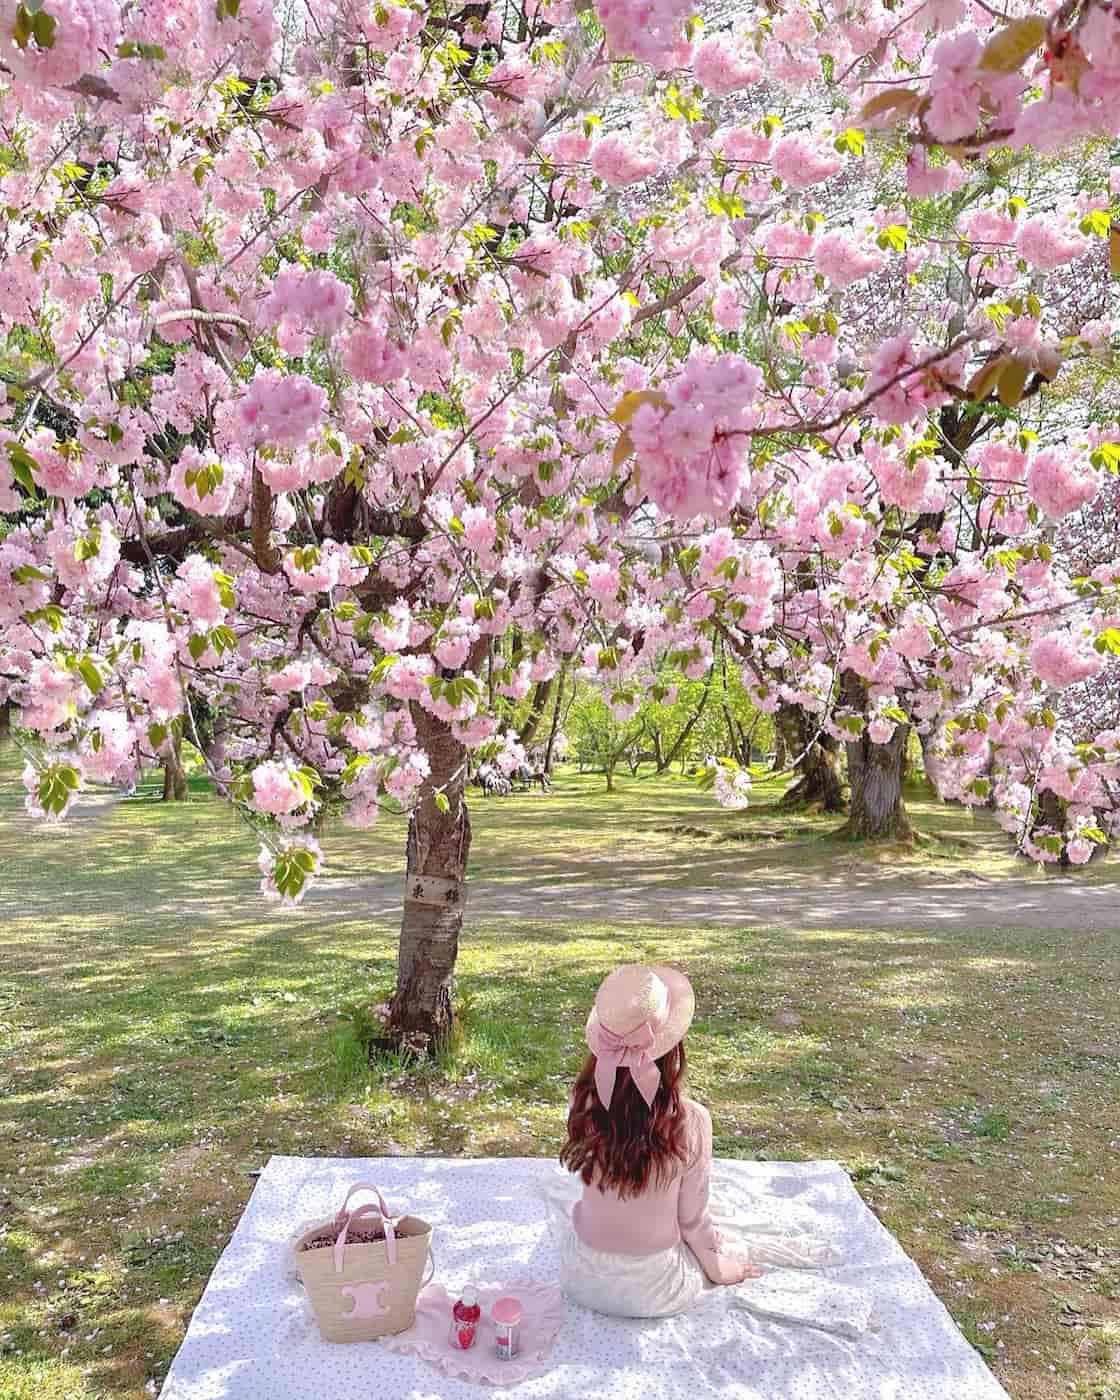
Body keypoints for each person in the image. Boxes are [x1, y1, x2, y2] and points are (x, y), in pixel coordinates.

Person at [551, 963, 762, 1318]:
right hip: (654, 1290)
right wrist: (718, 1268)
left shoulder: (583, 1102)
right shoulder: (692, 1120)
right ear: (673, 1051)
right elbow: (691, 1221)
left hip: (580, 1278)